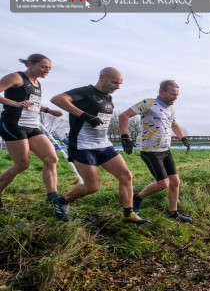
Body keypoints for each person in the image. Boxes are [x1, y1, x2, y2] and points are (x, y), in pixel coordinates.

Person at [50, 67, 148, 223]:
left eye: (120, 84)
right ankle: (61, 201)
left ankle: (128, 213)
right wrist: (85, 115)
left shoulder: (108, 98)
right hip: (83, 146)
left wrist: (124, 137)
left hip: (103, 144)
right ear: (102, 77)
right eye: (115, 82)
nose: (118, 87)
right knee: (92, 186)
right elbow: (57, 99)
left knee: (126, 176)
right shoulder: (86, 92)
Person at [118, 80, 193, 222]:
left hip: (165, 150)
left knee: (175, 181)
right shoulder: (148, 103)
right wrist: (125, 136)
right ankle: (138, 198)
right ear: (162, 92)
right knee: (163, 183)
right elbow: (124, 116)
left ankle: (173, 214)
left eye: (177, 94)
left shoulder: (171, 110)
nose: (176, 97)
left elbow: (174, 124)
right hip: (150, 150)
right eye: (173, 94)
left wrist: (183, 139)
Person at [0, 54, 65, 216]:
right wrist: (15, 103)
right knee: (22, 164)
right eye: (43, 67)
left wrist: (49, 110)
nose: (47, 70)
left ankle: (52, 196)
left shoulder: (37, 83)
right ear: (30, 64)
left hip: (32, 126)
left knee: (51, 158)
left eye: (49, 68)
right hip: (13, 124)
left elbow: (33, 103)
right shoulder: (16, 77)